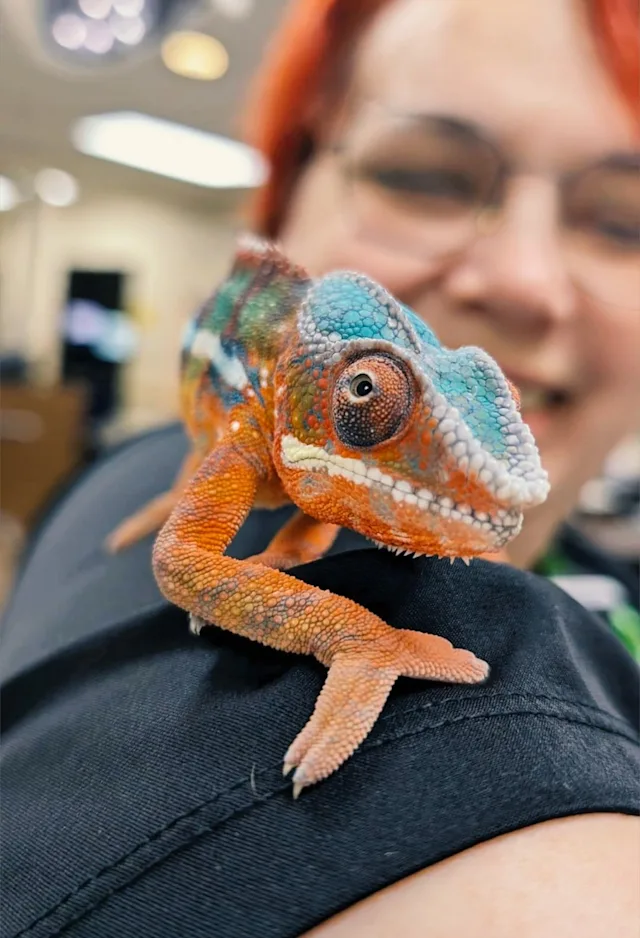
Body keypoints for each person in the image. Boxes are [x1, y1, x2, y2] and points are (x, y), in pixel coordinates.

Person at [1, 1, 638, 936]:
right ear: (284, 195)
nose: (521, 279)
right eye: (421, 174)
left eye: (627, 220)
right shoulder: (244, 433)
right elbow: (182, 567)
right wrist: (348, 633)